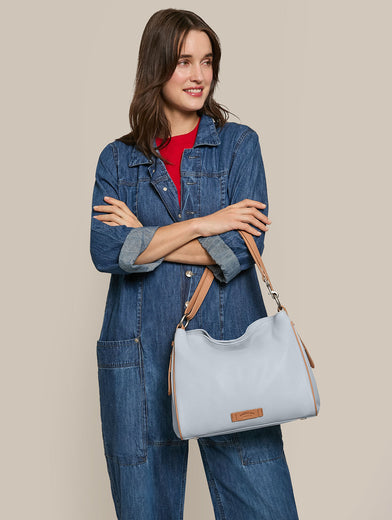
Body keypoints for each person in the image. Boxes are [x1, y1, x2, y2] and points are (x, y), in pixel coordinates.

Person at [90, 8, 299, 520]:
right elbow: (107, 251)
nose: (198, 75)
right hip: (140, 363)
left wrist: (146, 234)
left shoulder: (239, 145)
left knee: (267, 508)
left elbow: (242, 250)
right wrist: (205, 223)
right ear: (156, 66)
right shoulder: (116, 160)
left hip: (233, 356)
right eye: (184, 62)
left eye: (207, 61)